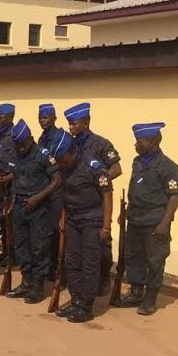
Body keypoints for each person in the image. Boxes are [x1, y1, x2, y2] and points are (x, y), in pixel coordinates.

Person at [118, 123, 178, 315]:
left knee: (155, 260)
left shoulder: (168, 167)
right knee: (133, 257)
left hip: (155, 221)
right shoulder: (137, 162)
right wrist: (126, 211)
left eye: (139, 142)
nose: (135, 145)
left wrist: (165, 223)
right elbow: (135, 188)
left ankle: (150, 299)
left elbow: (174, 196)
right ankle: (136, 293)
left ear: (152, 142)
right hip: (135, 219)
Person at [53, 132, 113, 323]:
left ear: (73, 152)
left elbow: (107, 196)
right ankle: (76, 299)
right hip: (73, 219)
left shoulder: (94, 167)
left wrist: (106, 227)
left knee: (89, 263)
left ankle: (86, 306)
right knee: (72, 260)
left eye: (64, 160)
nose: (62, 164)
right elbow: (65, 192)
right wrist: (62, 216)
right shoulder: (64, 166)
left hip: (92, 220)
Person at [65, 102, 122, 295]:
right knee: (78, 250)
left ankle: (104, 277)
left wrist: (96, 182)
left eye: (74, 123)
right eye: (69, 124)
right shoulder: (71, 145)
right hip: (77, 203)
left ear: (86, 122)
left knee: (102, 247)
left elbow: (116, 169)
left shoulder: (101, 144)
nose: (70, 127)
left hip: (98, 202)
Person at [4, 119, 62, 304]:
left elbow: (57, 180)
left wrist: (38, 198)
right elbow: (16, 178)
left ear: (30, 139)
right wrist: (13, 201)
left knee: (39, 247)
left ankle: (38, 287)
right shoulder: (16, 153)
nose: (21, 148)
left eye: (23, 144)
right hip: (19, 206)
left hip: (39, 208)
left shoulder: (43, 154)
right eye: (18, 145)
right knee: (21, 246)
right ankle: (26, 282)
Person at [38, 103, 66, 282]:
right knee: (45, 229)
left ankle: (59, 267)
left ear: (54, 118)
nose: (43, 121)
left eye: (46, 117)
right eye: (40, 118)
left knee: (57, 230)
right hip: (44, 189)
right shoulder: (42, 138)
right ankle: (49, 265)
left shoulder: (60, 138)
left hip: (57, 188)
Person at [0, 103, 17, 265]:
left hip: (14, 184)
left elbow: (22, 162)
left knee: (12, 220)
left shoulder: (15, 136)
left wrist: (10, 176)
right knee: (2, 219)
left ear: (10, 117)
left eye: (1, 117)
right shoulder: (0, 136)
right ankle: (6, 250)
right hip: (3, 184)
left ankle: (14, 255)